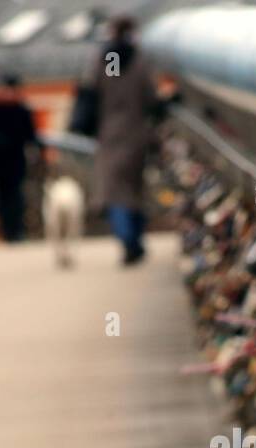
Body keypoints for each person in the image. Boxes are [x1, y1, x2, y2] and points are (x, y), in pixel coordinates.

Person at [89, 16, 160, 265]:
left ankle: (128, 240)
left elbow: (94, 92)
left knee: (113, 191)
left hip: (110, 133)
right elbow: (151, 97)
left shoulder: (105, 59)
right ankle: (135, 240)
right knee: (133, 189)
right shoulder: (139, 61)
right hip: (137, 133)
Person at [0, 75, 41, 243]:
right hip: (0, 162)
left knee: (15, 196)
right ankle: (9, 231)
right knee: (4, 197)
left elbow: (31, 135)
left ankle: (16, 231)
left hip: (14, 161)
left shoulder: (18, 110)